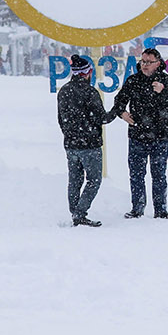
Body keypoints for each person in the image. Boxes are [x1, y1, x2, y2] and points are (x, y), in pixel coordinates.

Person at [108, 47, 168, 219]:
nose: (145, 65)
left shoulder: (167, 81)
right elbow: (119, 100)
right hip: (137, 134)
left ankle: (160, 210)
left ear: (158, 63)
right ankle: (137, 209)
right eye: (143, 61)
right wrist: (122, 113)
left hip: (160, 135)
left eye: (149, 62)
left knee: (159, 175)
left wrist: (163, 91)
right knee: (136, 175)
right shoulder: (133, 80)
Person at [56, 55, 106, 227]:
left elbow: (61, 119)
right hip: (90, 144)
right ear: (89, 72)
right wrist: (118, 110)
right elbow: (102, 118)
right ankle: (80, 213)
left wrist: (70, 135)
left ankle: (74, 211)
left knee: (75, 180)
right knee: (94, 179)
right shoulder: (90, 92)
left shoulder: (63, 91)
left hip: (71, 144)